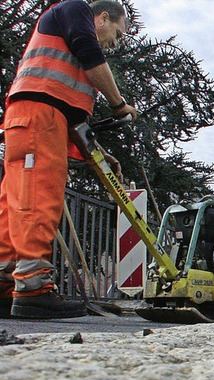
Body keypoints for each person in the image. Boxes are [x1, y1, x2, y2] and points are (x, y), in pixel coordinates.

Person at [0, 0, 138, 319]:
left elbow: (72, 116)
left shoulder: (67, 52)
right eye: (115, 34)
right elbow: (91, 54)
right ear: (102, 18)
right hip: (40, 115)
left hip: (33, 117)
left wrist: (102, 156)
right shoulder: (75, 10)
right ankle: (34, 290)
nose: (113, 44)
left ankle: (6, 283)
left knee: (13, 203)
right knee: (38, 199)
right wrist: (119, 105)